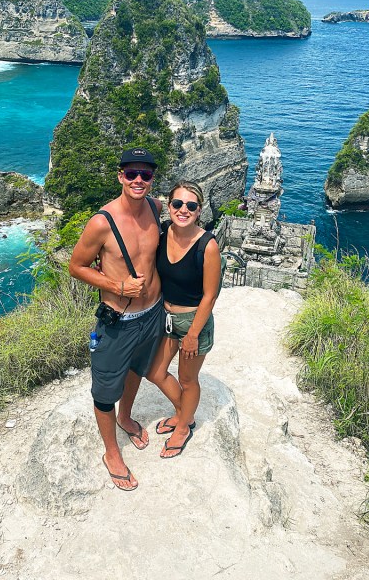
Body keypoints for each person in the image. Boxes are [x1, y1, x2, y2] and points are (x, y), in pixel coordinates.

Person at [69, 147, 165, 491]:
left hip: (153, 313)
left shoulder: (156, 208)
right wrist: (117, 285)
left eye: (145, 174)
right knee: (105, 390)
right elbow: (76, 266)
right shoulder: (102, 223)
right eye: (131, 173)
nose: (138, 180)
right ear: (120, 176)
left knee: (137, 370)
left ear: (152, 179)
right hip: (119, 320)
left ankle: (126, 417)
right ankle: (111, 453)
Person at [147, 181, 221, 459]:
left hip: (193, 322)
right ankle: (185, 414)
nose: (183, 210)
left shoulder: (207, 245)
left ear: (199, 210)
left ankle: (182, 427)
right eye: (177, 204)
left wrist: (192, 335)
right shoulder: (163, 232)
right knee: (155, 372)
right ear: (169, 206)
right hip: (167, 319)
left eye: (191, 205)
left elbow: (210, 296)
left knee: (187, 380)